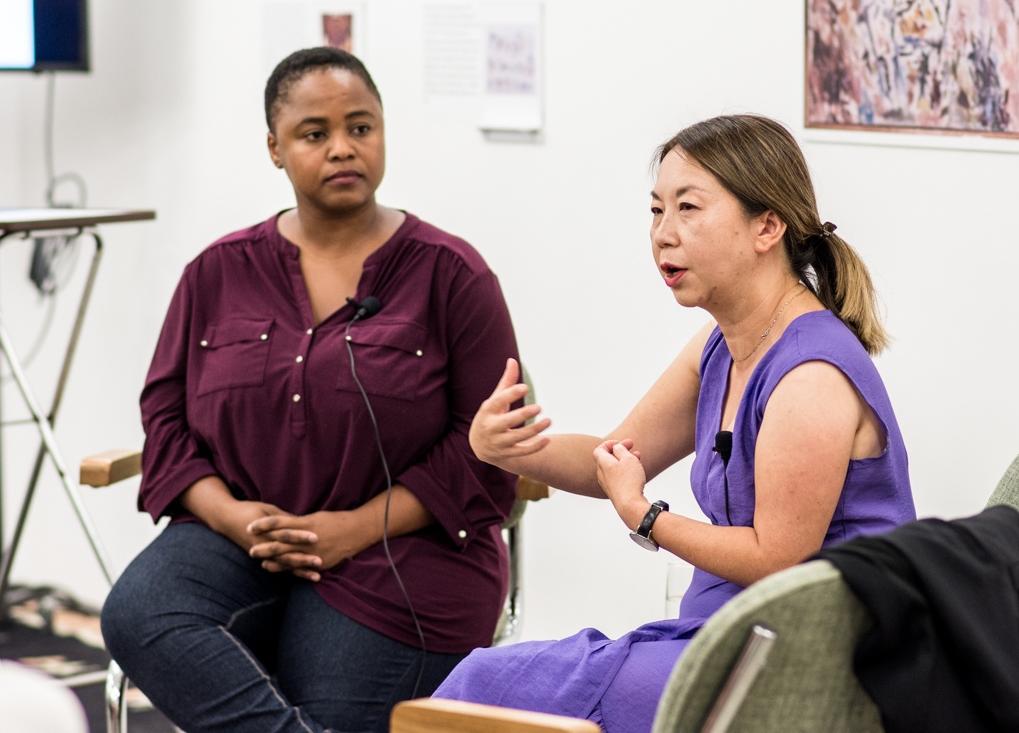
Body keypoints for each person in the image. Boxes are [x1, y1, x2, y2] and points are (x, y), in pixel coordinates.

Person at [433, 114, 916, 732]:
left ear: (767, 226)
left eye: (688, 208)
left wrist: (648, 517)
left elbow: (776, 558)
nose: (663, 234)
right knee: (485, 684)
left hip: (812, 657)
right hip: (730, 634)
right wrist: (504, 450)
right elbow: (612, 459)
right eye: (656, 210)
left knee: (485, 689)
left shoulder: (811, 374)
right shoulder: (721, 346)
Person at [100, 47, 521, 733]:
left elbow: (488, 446)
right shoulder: (216, 272)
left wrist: (352, 529)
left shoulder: (452, 274)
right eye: (314, 134)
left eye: (361, 127)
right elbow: (167, 421)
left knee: (327, 696)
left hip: (403, 554)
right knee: (139, 612)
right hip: (242, 535)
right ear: (275, 147)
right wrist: (234, 517)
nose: (342, 149)